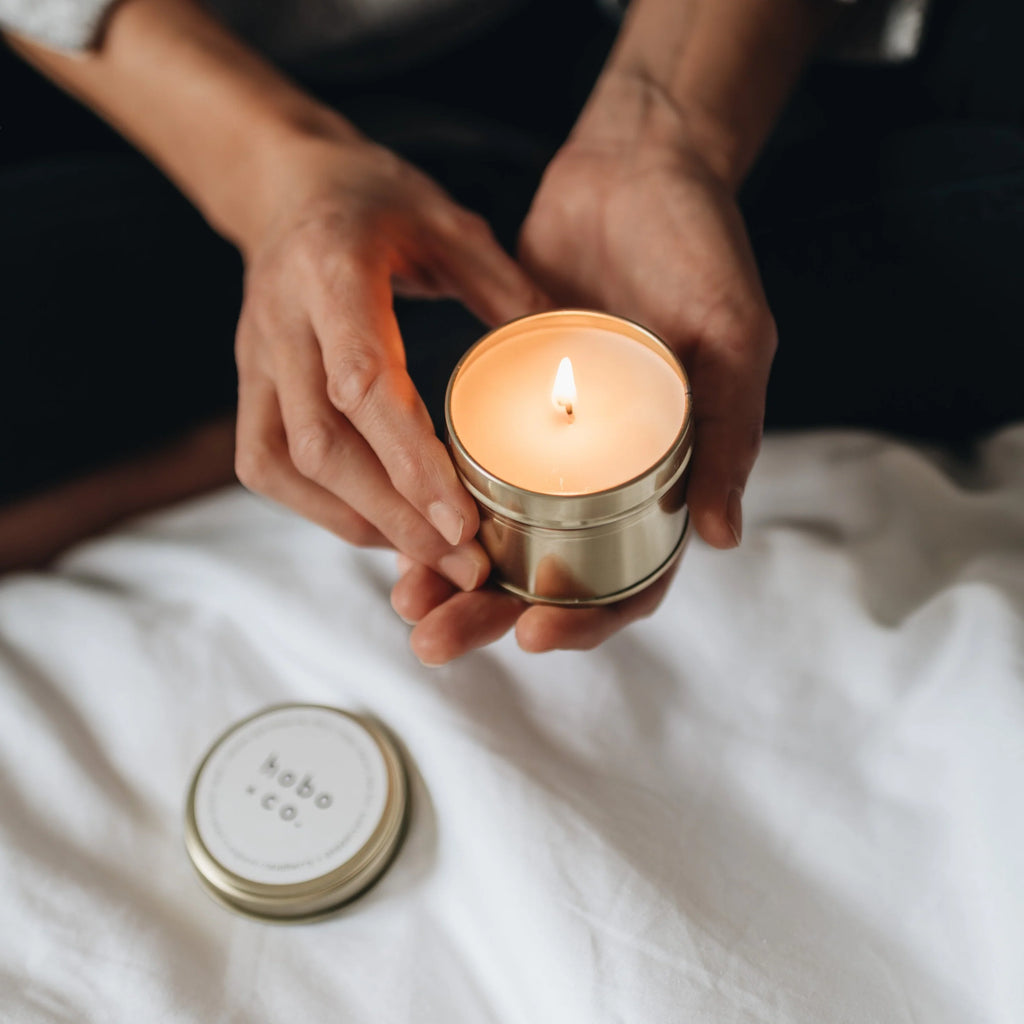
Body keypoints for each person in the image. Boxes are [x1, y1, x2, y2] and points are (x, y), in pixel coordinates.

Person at [1, 0, 1021, 662]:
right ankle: (306, 362)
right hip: (158, 80)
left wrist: (663, 124)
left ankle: (375, 342)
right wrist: (279, 177)